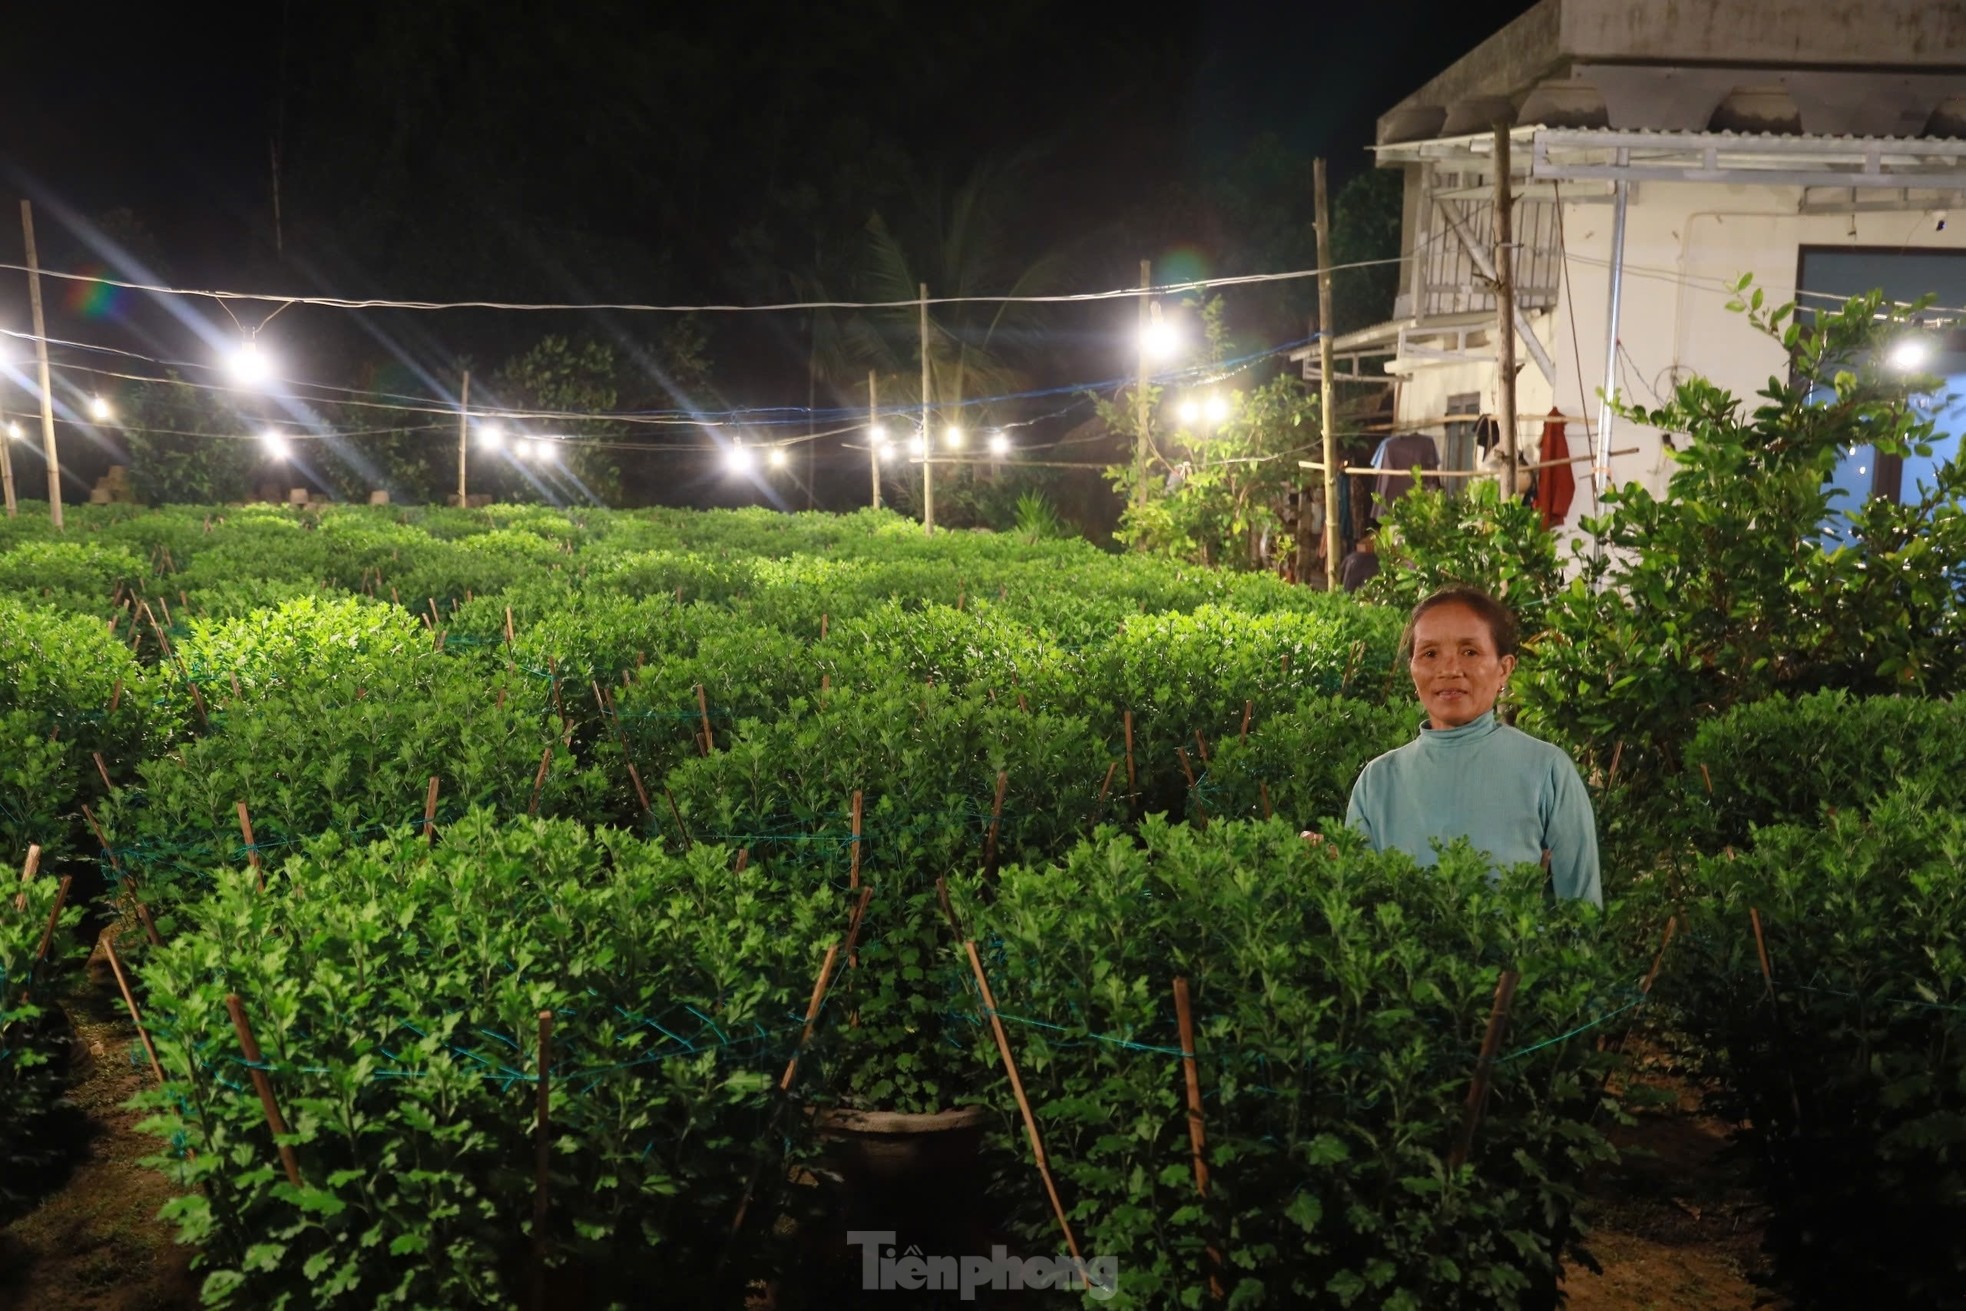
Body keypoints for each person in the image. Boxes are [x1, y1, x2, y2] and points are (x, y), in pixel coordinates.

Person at [1328, 587, 1601, 906]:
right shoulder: (1377, 782)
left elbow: (1582, 916)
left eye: (1469, 652)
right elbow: (1360, 913)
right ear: (1412, 671)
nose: (1449, 670)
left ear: (1504, 668)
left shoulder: (1547, 771)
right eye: (1430, 654)